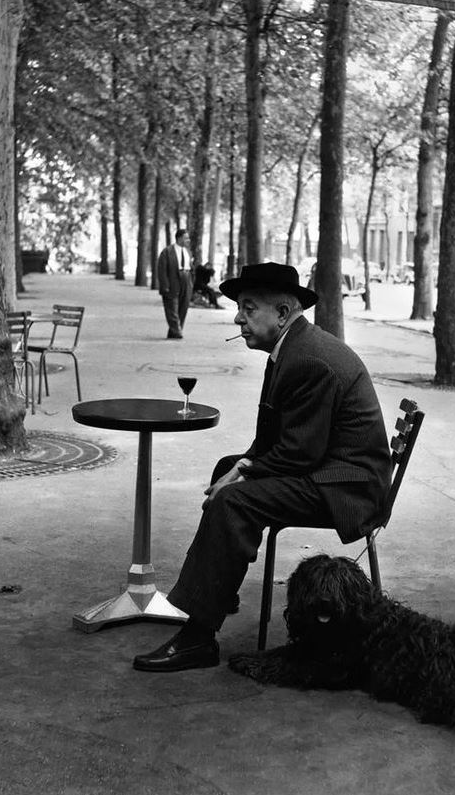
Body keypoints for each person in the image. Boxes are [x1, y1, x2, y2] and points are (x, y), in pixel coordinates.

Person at [133, 262, 392, 672]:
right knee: (226, 468)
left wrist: (247, 471)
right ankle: (218, 590)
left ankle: (198, 637)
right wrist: (242, 465)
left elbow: (299, 453)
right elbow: (274, 435)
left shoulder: (310, 359)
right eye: (240, 308)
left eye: (249, 308)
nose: (238, 318)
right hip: (330, 469)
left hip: (346, 488)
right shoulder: (293, 348)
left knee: (233, 501)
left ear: (283, 313)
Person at [157, 229, 193, 339]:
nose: (188, 240)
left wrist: (191, 283)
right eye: (186, 238)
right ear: (179, 238)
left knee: (183, 307)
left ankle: (174, 331)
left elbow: (192, 268)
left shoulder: (188, 251)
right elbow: (162, 270)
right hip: (173, 281)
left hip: (186, 280)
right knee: (172, 308)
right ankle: (177, 331)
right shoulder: (167, 252)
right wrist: (165, 285)